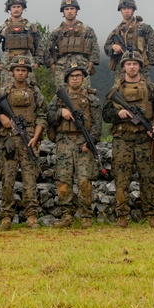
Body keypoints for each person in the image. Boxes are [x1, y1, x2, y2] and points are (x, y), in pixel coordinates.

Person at [102, 51, 154, 228]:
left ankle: (151, 215)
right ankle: (122, 216)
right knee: (121, 178)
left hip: (145, 139)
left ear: (140, 66)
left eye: (135, 64)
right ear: (123, 67)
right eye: (128, 64)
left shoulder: (151, 89)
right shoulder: (115, 90)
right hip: (123, 140)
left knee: (148, 178)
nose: (131, 67)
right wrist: (118, 113)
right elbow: (105, 115)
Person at [0, 56, 45, 230]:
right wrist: (2, 117)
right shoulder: (4, 91)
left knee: (30, 180)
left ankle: (31, 216)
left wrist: (35, 137)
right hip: (10, 141)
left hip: (28, 139)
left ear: (28, 73)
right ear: (13, 72)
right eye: (17, 70)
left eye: (23, 70)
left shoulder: (34, 92)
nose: (20, 73)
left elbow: (42, 116)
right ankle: (6, 217)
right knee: (7, 180)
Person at [47, 62, 102, 228]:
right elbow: (48, 116)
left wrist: (90, 142)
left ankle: (85, 215)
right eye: (72, 76)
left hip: (83, 142)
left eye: (78, 76)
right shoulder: (58, 98)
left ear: (84, 78)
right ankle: (66, 215)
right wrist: (60, 112)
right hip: (64, 141)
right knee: (63, 179)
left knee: (84, 180)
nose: (75, 79)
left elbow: (97, 125)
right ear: (67, 79)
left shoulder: (92, 99)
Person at [0, 0, 43, 88]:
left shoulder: (31, 27)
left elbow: (39, 46)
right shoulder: (1, 28)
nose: (16, 9)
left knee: (29, 89)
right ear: (9, 9)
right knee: (7, 92)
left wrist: (37, 63)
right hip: (7, 65)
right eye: (13, 7)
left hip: (27, 65)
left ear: (23, 8)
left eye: (19, 6)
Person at [46, 0, 99, 89]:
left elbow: (95, 48)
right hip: (62, 67)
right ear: (63, 12)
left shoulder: (86, 30)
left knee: (84, 93)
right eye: (66, 9)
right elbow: (47, 50)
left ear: (76, 10)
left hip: (82, 66)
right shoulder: (57, 31)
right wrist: (53, 67)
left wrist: (90, 65)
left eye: (72, 8)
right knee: (62, 96)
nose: (69, 11)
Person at [103, 0, 154, 79]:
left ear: (133, 10)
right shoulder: (116, 31)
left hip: (141, 65)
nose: (126, 11)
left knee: (143, 89)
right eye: (124, 9)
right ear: (121, 11)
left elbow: (153, 46)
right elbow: (106, 47)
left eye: (129, 8)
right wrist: (113, 47)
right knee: (121, 90)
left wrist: (150, 63)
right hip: (122, 67)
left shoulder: (144, 28)